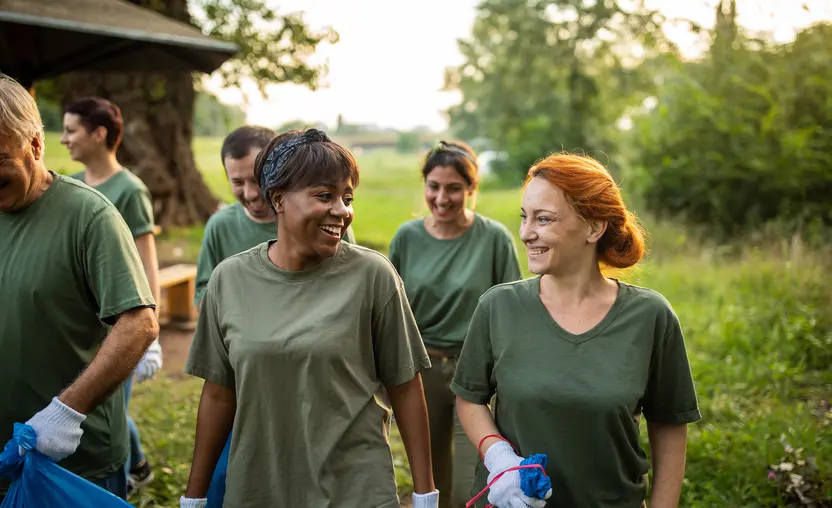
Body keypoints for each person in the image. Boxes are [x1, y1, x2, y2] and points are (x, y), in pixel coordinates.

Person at [180, 128, 438, 508]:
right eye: (324, 196)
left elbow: (405, 385)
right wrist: (195, 496)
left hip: (355, 489)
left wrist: (425, 493)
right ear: (279, 199)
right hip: (261, 488)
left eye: (347, 197)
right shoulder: (229, 281)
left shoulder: (372, 276)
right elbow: (219, 394)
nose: (342, 210)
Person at [451, 153, 701, 508]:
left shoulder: (650, 317)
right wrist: (498, 457)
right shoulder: (498, 307)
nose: (526, 233)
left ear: (594, 227)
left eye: (544, 219)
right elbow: (470, 397)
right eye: (525, 217)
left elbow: (670, 425)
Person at [0, 74, 158, 501]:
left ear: (34, 144)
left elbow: (140, 322)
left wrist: (66, 411)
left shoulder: (89, 216)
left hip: (71, 464)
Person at [388, 140, 521, 508]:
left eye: (454, 188)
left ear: (471, 189)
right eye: (434, 186)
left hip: (474, 375)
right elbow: (389, 311)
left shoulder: (494, 239)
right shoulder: (407, 238)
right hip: (421, 370)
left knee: (471, 487)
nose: (442, 197)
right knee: (430, 484)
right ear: (425, 185)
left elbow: (510, 313)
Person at [61, 96, 163, 497]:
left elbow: (145, 260)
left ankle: (120, 479)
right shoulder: (70, 186)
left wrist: (149, 335)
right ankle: (139, 464)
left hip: (116, 322)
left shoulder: (130, 190)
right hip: (77, 324)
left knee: (108, 413)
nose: (65, 139)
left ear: (99, 134)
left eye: (72, 130)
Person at [195, 125, 357, 306]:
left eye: (256, 181)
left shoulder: (326, 224)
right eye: (238, 182)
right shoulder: (220, 226)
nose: (250, 193)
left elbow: (349, 276)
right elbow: (204, 292)